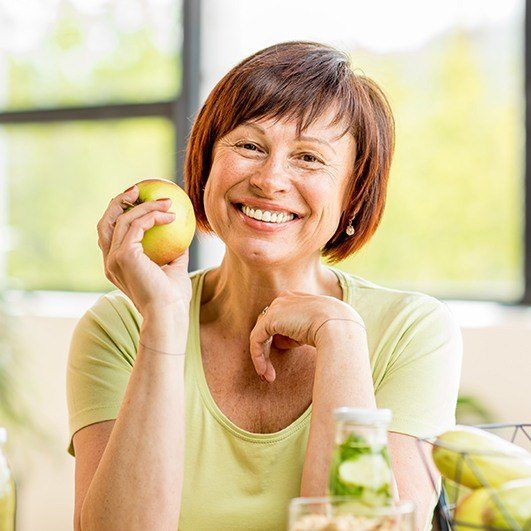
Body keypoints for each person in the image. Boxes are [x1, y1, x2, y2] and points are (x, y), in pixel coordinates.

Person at [67, 41, 462, 531]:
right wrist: (164, 323)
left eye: (309, 158)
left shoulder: (411, 331)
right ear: (207, 164)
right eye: (250, 146)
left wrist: (339, 336)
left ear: (354, 195)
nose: (270, 179)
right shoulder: (120, 326)